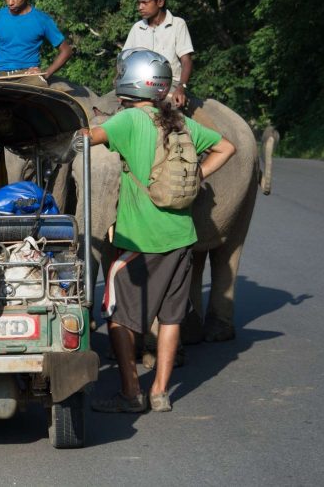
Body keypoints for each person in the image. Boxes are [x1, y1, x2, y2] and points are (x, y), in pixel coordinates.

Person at [83, 48, 235, 413]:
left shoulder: (128, 121)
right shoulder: (180, 122)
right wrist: (199, 174)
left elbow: (86, 137)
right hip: (181, 238)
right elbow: (226, 146)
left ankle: (131, 394)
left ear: (128, 82)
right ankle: (161, 393)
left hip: (139, 241)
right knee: (170, 318)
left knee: (120, 318)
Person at [123, 0, 194, 109]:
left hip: (167, 85)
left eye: (145, 3)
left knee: (169, 112)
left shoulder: (178, 24)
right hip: (138, 84)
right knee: (104, 104)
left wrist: (181, 87)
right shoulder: (137, 28)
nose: (140, 7)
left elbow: (186, 61)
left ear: (160, 2)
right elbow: (125, 59)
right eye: (139, 3)